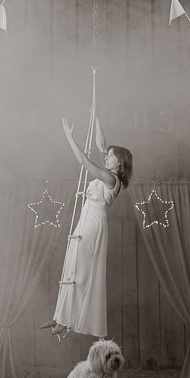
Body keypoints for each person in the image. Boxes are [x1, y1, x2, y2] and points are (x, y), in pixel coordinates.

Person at [41, 116, 133, 340]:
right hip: (86, 218)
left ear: (119, 163)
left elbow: (83, 161)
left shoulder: (112, 180)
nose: (106, 156)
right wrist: (98, 117)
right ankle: (61, 315)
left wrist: (68, 136)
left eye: (111, 156)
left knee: (81, 271)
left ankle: (68, 321)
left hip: (93, 223)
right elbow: (102, 145)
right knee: (71, 266)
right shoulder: (110, 173)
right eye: (108, 155)